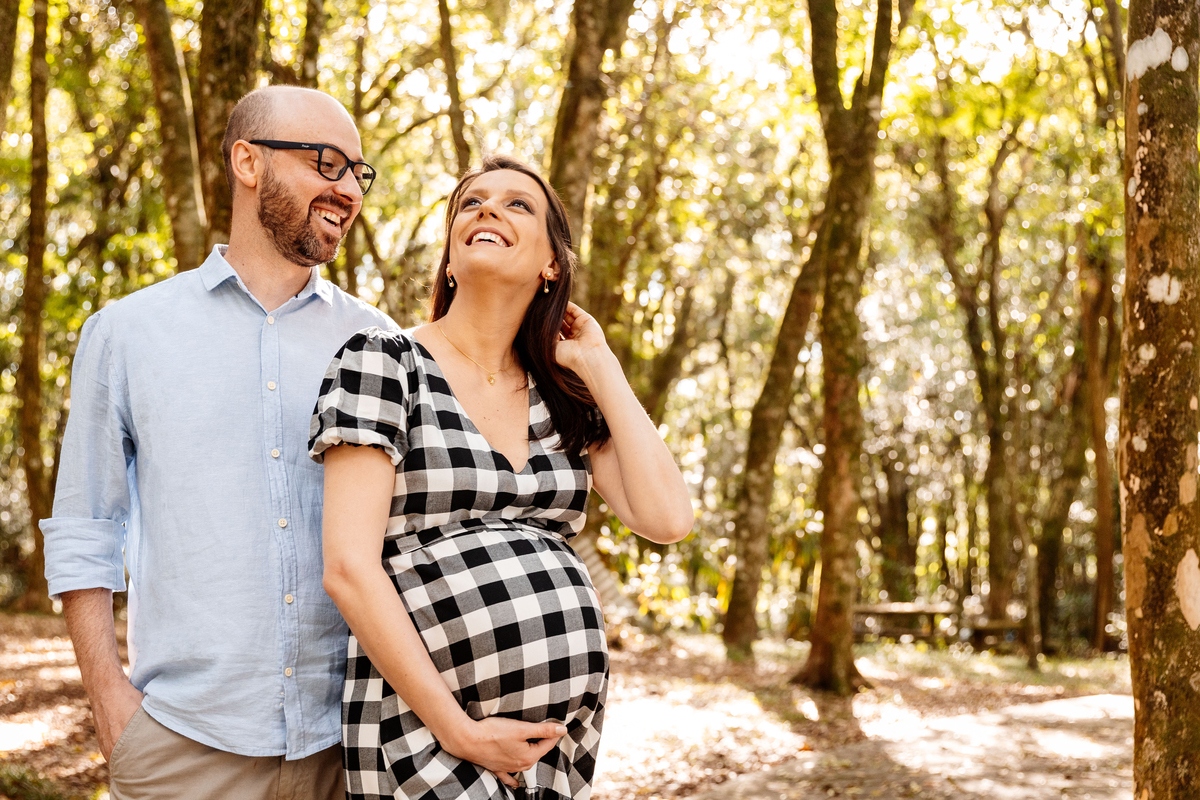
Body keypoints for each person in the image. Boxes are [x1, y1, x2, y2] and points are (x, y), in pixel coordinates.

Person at [42, 85, 407, 799]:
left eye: (356, 173)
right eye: (326, 163)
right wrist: (109, 700)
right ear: (247, 161)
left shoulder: (382, 345)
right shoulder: (126, 333)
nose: (346, 191)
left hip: (352, 747)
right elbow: (86, 528)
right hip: (184, 747)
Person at [309, 154, 694, 800]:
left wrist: (600, 367)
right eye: (471, 203)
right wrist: (459, 729)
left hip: (552, 750)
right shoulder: (382, 363)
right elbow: (348, 567)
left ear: (552, 264)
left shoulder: (563, 396)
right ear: (451, 260)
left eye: (518, 204)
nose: (488, 209)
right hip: (424, 731)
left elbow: (667, 519)